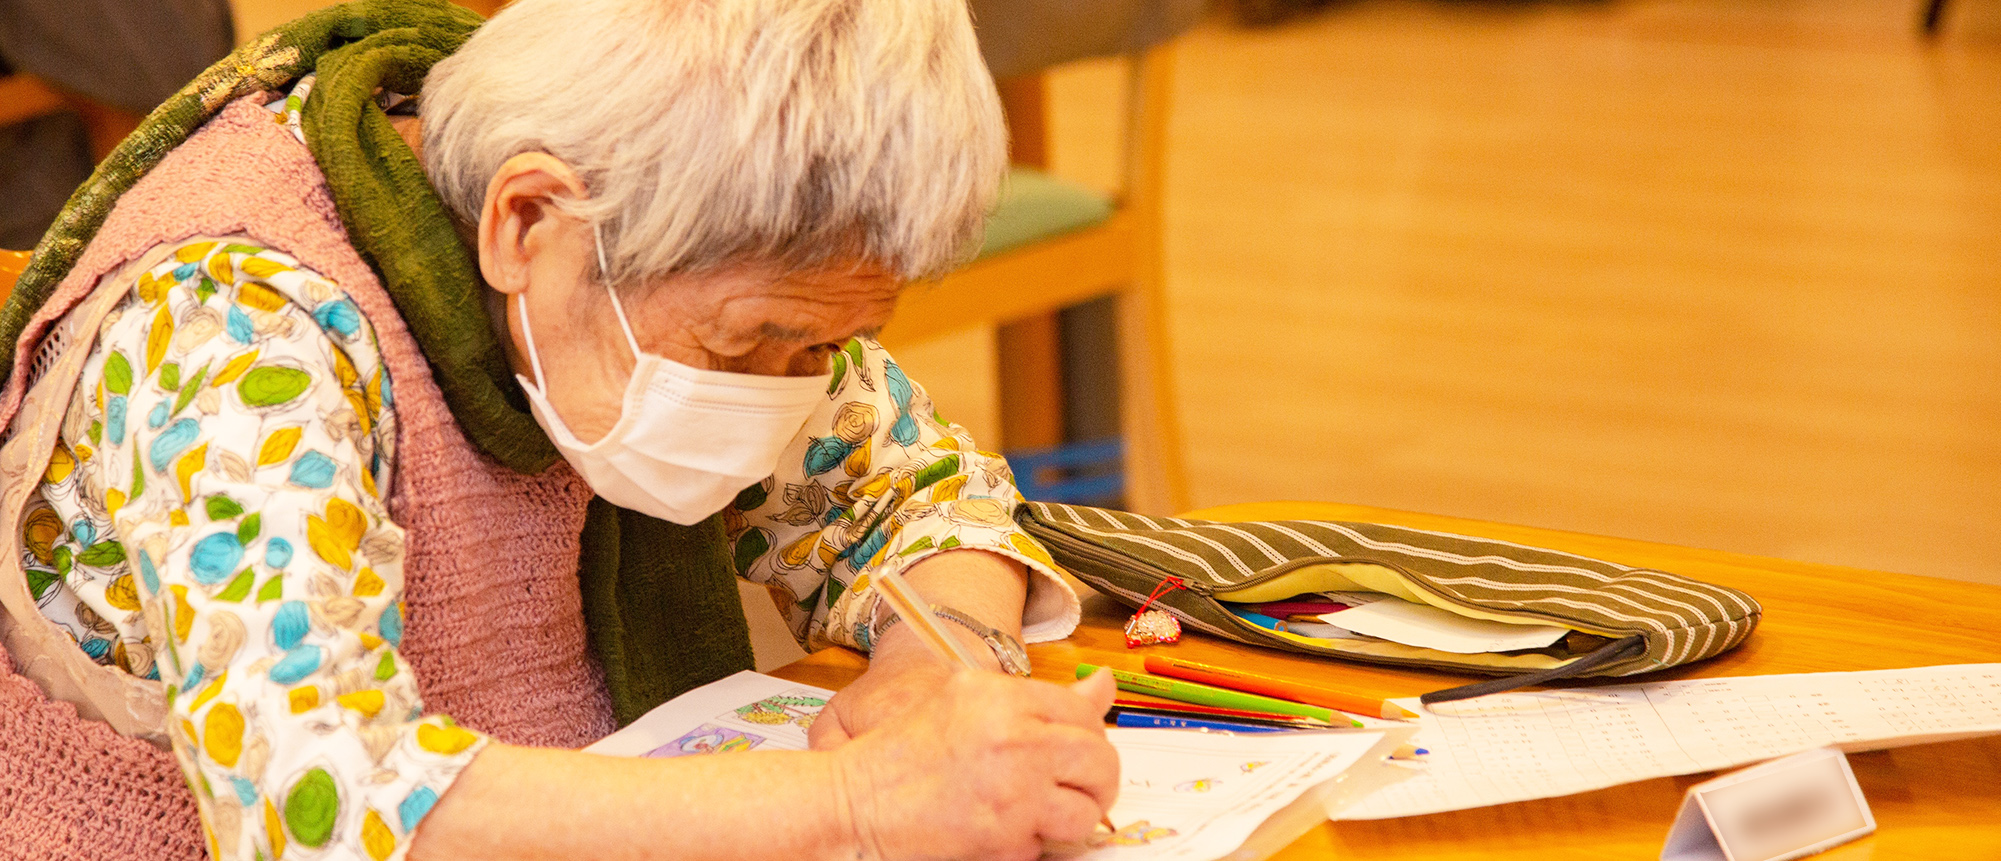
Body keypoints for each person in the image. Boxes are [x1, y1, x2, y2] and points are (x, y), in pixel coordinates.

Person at [0, 1, 1121, 859]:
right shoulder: (239, 331)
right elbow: (330, 800)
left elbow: (920, 499)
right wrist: (860, 801)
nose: (789, 388)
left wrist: (945, 663)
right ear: (525, 220)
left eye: (824, 348)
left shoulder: (662, 257)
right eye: (744, 349)